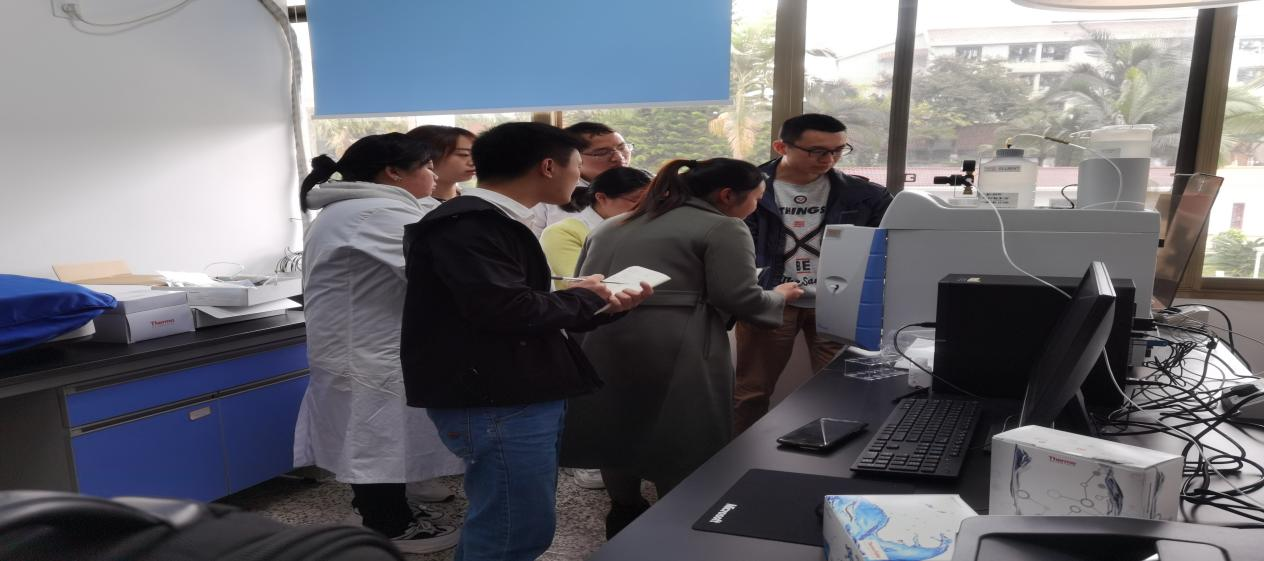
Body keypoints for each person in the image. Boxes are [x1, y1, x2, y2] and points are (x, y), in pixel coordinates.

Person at [400, 122, 654, 561]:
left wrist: (598, 303)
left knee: (518, 523)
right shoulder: (469, 224)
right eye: (578, 165)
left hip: (514, 388)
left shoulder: (497, 221)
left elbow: (511, 303)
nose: (580, 177)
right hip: (496, 397)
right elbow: (505, 309)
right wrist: (586, 298)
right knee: (511, 530)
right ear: (549, 166)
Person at [560, 158, 804, 538]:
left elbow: (585, 286)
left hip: (602, 338)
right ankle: (678, 526)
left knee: (616, 427)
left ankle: (624, 511)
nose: (756, 206)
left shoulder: (613, 224)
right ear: (727, 195)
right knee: (682, 435)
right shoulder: (723, 226)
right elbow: (738, 296)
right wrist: (780, 296)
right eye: (756, 198)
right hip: (678, 340)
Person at [293, 133, 462, 554]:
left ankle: (384, 511)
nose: (434, 175)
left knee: (375, 435)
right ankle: (389, 526)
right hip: (368, 351)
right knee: (375, 438)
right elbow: (439, 273)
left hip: (365, 345)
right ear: (393, 173)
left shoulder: (356, 209)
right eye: (427, 166)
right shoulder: (374, 214)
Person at [733, 114, 894, 434]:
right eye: (818, 151)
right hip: (771, 298)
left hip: (838, 301)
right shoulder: (746, 190)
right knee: (751, 390)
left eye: (838, 150)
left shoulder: (865, 195)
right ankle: (734, 454)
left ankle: (839, 454)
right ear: (782, 147)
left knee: (844, 389)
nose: (829, 159)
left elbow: (886, 248)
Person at [541, 167, 652, 292]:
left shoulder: (643, 228)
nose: (645, 208)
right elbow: (582, 284)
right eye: (636, 200)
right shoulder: (562, 232)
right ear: (601, 198)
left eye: (652, 201)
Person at [528, 121, 633, 236]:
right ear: (573, 157)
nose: (619, 157)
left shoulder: (644, 186)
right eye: (602, 152)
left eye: (622, 147)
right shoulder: (546, 195)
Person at [406, 125, 477, 205]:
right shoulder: (407, 205)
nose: (473, 162)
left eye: (475, 154)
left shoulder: (474, 199)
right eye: (464, 154)